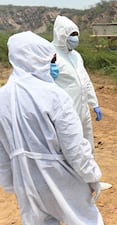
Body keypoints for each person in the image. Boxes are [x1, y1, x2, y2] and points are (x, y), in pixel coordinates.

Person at [0, 31, 104, 225]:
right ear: (36, 59)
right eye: (50, 60)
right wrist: (92, 176)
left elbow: (2, 152)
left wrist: (10, 183)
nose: (53, 66)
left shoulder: (2, 97)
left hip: (27, 183)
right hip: (62, 179)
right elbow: (75, 150)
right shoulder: (55, 96)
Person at [52, 15, 112, 190]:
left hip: (83, 108)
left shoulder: (76, 56)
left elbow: (85, 80)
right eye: (71, 34)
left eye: (76, 34)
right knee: (69, 147)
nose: (75, 38)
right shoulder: (50, 55)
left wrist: (95, 103)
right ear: (61, 34)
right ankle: (70, 185)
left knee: (88, 143)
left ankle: (93, 182)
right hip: (65, 111)